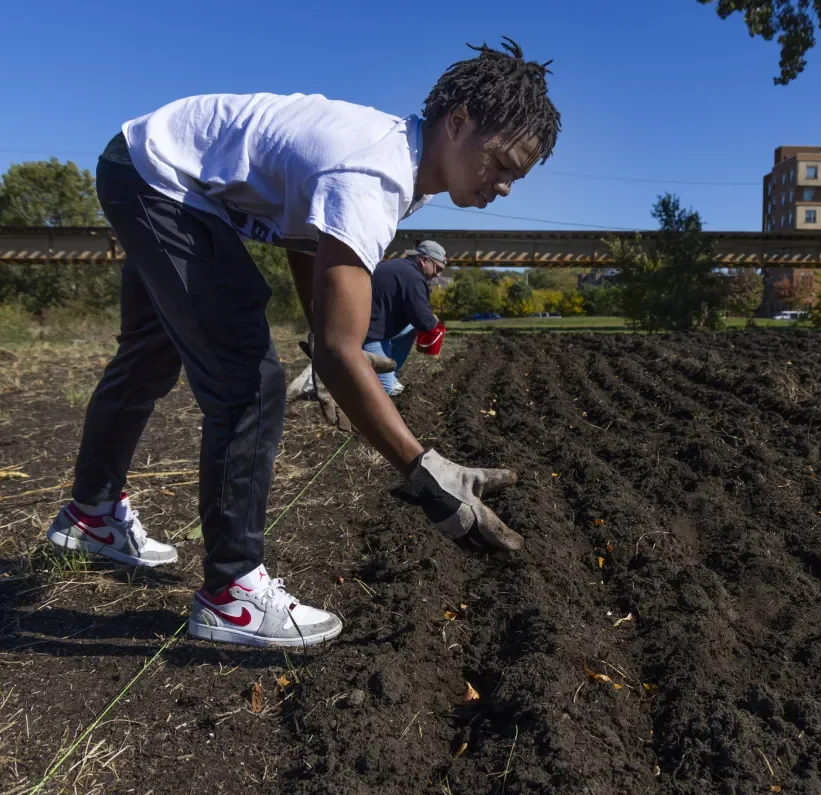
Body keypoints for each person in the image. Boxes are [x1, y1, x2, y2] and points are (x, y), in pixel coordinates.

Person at [44, 38, 561, 649]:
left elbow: (305, 240)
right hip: (161, 180)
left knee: (150, 356)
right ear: (459, 121)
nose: (503, 187)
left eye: (515, 179)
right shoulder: (374, 172)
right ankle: (232, 595)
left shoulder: (401, 157)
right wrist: (425, 470)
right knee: (249, 383)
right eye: (501, 165)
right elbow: (345, 350)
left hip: (143, 161)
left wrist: (324, 343)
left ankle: (92, 516)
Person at [363, 240, 448, 396]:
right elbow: (424, 322)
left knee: (409, 330)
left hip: (376, 326)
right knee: (386, 391)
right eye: (438, 268)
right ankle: (358, 383)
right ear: (424, 260)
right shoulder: (413, 277)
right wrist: (433, 320)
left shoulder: (399, 266)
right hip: (369, 334)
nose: (438, 274)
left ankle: (390, 373)